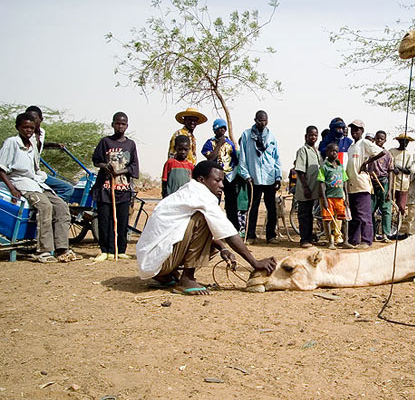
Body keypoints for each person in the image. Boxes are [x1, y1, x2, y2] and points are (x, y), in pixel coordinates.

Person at [137, 160, 277, 295]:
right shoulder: (201, 194)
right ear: (202, 179)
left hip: (153, 262)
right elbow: (228, 232)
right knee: (203, 219)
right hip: (157, 262)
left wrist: (223, 248)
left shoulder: (188, 191)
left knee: (212, 230)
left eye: (222, 181)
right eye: (217, 180)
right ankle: (187, 279)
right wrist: (255, 262)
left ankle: (166, 276)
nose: (222, 185)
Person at [0, 113, 79, 263]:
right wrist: (12, 189)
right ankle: (44, 250)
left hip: (35, 182)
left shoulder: (32, 145)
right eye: (25, 127)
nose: (28, 130)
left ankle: (62, 248)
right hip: (20, 182)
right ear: (18, 127)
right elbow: (1, 169)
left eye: (31, 127)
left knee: (61, 206)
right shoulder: (12, 143)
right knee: (45, 206)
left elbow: (35, 169)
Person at [91, 112, 140, 262]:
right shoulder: (105, 142)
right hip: (106, 188)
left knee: (122, 221)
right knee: (105, 220)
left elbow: (134, 166)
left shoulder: (130, 144)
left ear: (127, 126)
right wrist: (106, 166)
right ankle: (105, 250)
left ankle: (120, 249)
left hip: (123, 188)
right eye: (117, 123)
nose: (120, 126)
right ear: (113, 124)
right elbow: (96, 160)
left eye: (123, 124)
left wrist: (119, 171)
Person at [238, 110, 282, 244]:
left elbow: (276, 158)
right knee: (253, 207)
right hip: (254, 177)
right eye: (260, 120)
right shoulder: (246, 135)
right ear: (255, 120)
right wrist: (245, 175)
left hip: (269, 177)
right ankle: (251, 235)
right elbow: (243, 157)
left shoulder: (271, 137)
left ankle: (271, 235)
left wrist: (278, 176)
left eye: (265, 120)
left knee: (271, 208)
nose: (263, 123)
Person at [345, 119, 385, 248]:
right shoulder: (351, 147)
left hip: (361, 183)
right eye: (352, 129)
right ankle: (354, 239)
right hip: (351, 184)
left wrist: (366, 163)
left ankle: (367, 240)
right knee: (354, 215)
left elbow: (382, 152)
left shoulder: (365, 143)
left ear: (362, 131)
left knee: (364, 214)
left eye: (357, 129)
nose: (354, 132)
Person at [25, 105, 74, 202]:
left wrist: (55, 145)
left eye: (34, 119)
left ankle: (51, 205)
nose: (31, 122)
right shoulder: (24, 136)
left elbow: (39, 145)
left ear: (40, 119)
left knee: (68, 188)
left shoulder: (42, 132)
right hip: (27, 174)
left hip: (37, 172)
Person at [201, 118, 241, 229]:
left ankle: (233, 229)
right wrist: (219, 145)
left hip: (229, 177)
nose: (222, 130)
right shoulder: (210, 143)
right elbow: (209, 158)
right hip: (214, 178)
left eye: (224, 128)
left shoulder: (229, 144)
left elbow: (235, 159)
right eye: (220, 128)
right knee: (213, 203)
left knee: (231, 204)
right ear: (215, 129)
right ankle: (210, 228)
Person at [318, 142, 352, 250]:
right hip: (329, 197)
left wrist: (346, 196)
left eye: (336, 151)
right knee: (328, 220)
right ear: (327, 152)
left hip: (340, 198)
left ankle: (345, 241)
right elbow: (321, 184)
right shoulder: (324, 167)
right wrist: (324, 199)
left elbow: (345, 181)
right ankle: (330, 241)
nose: (334, 153)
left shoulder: (340, 167)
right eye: (332, 151)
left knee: (345, 219)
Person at [294, 126, 322, 248]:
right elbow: (300, 171)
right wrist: (306, 188)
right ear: (306, 136)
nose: (313, 137)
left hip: (314, 189)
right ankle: (304, 239)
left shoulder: (317, 152)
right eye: (311, 135)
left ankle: (309, 237)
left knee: (310, 215)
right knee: (304, 214)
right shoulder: (303, 150)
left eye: (315, 135)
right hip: (305, 189)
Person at [366, 130, 394, 242]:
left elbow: (390, 172)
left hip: (383, 182)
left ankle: (386, 234)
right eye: (377, 139)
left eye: (381, 139)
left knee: (386, 209)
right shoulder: (369, 153)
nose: (379, 141)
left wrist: (390, 190)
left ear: (385, 140)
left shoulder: (388, 154)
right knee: (370, 209)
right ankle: (371, 234)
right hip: (371, 183)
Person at [388, 134, 414, 218]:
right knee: (390, 204)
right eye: (403, 141)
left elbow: (409, 171)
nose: (405, 143)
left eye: (407, 142)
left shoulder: (409, 154)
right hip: (392, 182)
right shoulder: (392, 151)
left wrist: (398, 167)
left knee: (401, 206)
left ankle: (399, 223)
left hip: (403, 184)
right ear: (399, 141)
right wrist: (393, 168)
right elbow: (388, 164)